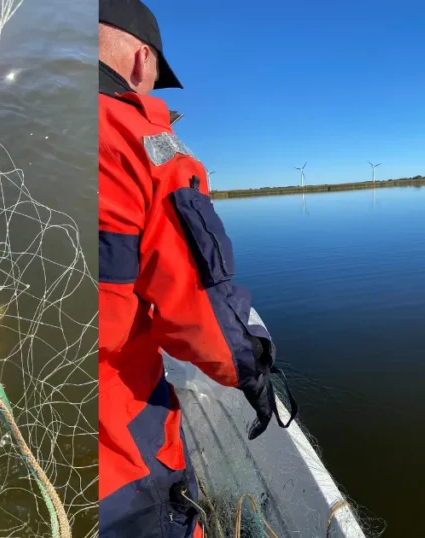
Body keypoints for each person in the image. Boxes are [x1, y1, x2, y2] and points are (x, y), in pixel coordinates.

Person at [97, 1, 290, 536]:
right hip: (116, 439)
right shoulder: (145, 145)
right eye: (157, 73)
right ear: (141, 60)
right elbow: (199, 305)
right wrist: (251, 369)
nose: (153, 85)